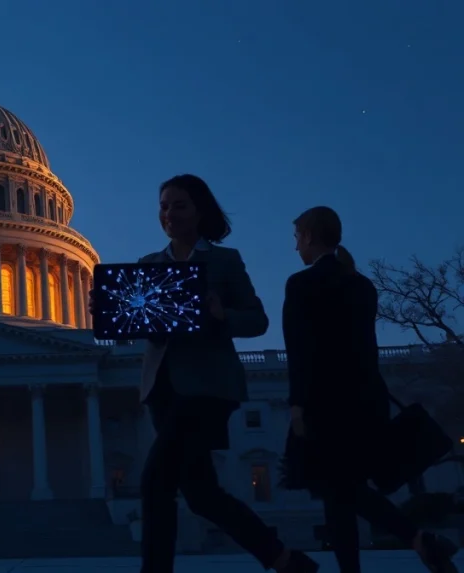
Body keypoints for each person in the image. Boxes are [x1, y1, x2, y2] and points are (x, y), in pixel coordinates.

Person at [98, 174, 317, 573]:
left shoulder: (223, 260)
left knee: (154, 482)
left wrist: (221, 315)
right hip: (162, 389)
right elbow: (146, 329)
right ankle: (284, 559)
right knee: (201, 494)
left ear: (199, 211)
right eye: (164, 206)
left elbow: (257, 320)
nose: (169, 214)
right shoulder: (149, 265)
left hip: (208, 388)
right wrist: (121, 316)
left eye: (179, 205)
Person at [282, 206, 459, 573]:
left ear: (311, 237)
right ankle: (404, 547)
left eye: (297, 236)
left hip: (322, 402)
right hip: (365, 401)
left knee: (339, 490)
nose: (296, 245)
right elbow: (366, 349)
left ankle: (416, 538)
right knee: (342, 491)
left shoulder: (301, 284)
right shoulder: (361, 285)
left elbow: (300, 351)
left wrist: (297, 405)